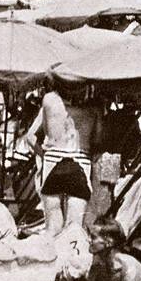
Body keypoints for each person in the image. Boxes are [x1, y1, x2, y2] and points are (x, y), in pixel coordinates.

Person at [27, 81, 99, 236]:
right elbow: (98, 141)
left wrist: (44, 155)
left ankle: (50, 258)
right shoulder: (96, 106)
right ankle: (71, 258)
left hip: (53, 160)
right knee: (75, 228)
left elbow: (30, 138)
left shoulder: (49, 100)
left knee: (53, 227)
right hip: (81, 159)